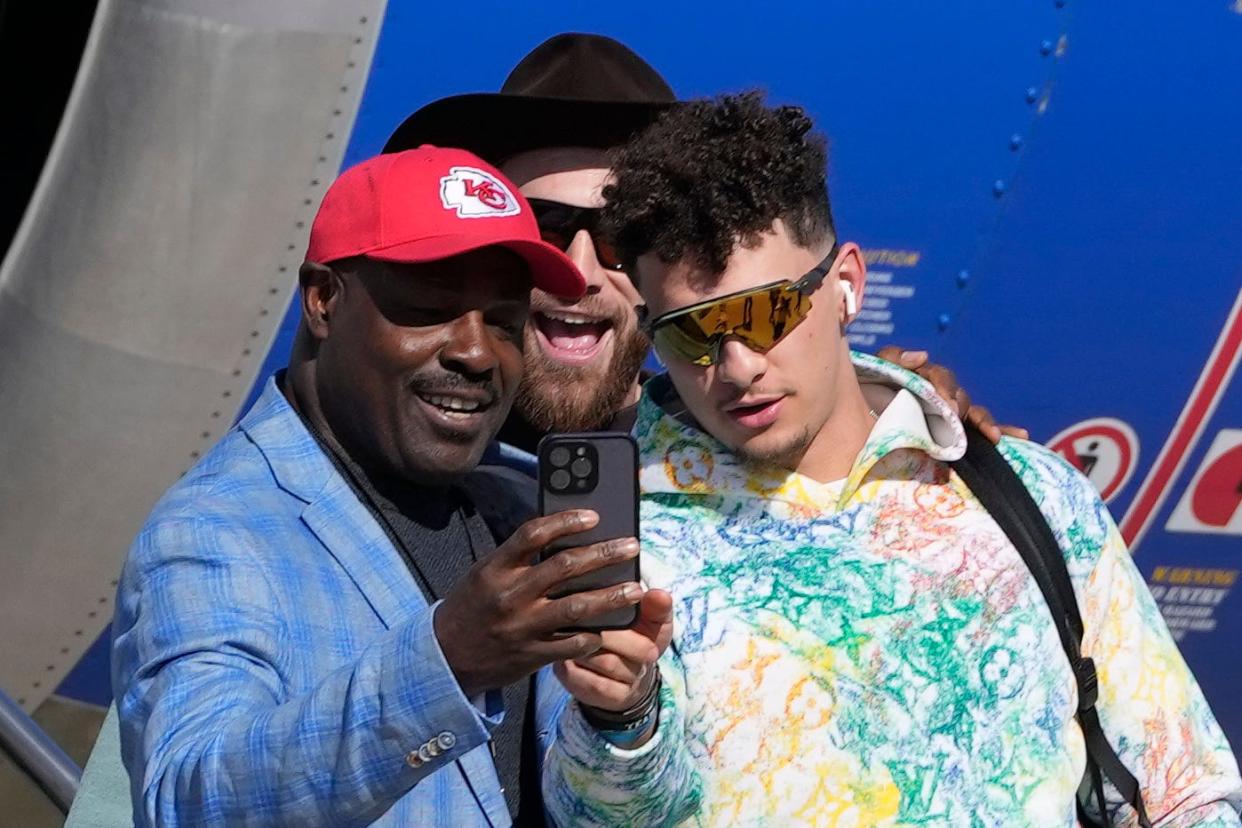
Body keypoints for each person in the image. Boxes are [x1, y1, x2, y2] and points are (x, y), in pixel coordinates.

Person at [541, 92, 1242, 826]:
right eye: (691, 334)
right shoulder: (623, 536)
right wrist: (621, 719)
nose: (738, 364)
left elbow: (1179, 791)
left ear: (845, 285)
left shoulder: (1029, 496)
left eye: (765, 312)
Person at [110, 147, 653, 826]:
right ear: (323, 301)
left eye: (505, 323)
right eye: (429, 308)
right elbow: (190, 801)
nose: (476, 351)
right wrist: (448, 661)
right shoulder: (216, 527)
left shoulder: (515, 510)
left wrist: (621, 715)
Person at [385, 33, 1018, 454]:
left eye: (619, 236)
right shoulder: (408, 448)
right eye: (542, 230)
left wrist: (898, 418)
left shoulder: (746, 448)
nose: (576, 272)